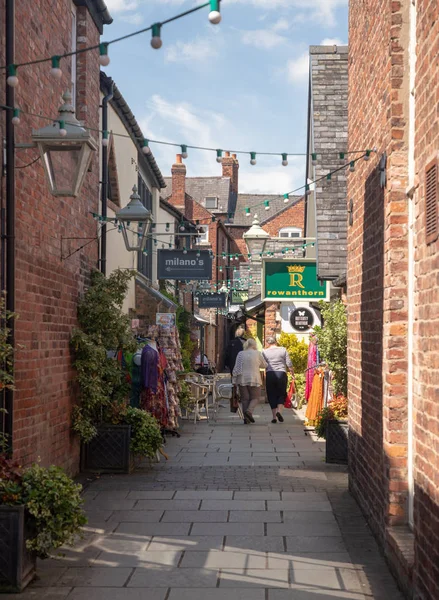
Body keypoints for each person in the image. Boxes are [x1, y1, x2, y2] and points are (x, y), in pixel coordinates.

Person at [232, 338, 267, 424]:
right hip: (254, 378)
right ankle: (249, 412)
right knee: (255, 397)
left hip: (242, 378)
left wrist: (234, 380)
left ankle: (246, 419)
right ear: (254, 345)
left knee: (245, 399)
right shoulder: (258, 354)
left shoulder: (240, 354)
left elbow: (237, 367)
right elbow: (265, 365)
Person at [262, 336, 295, 424]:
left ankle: (274, 417)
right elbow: (289, 363)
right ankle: (279, 412)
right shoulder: (283, 350)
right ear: (276, 342)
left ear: (267, 343)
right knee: (281, 393)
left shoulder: (264, 352)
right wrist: (292, 373)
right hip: (281, 373)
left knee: (271, 394)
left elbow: (263, 364)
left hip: (270, 374)